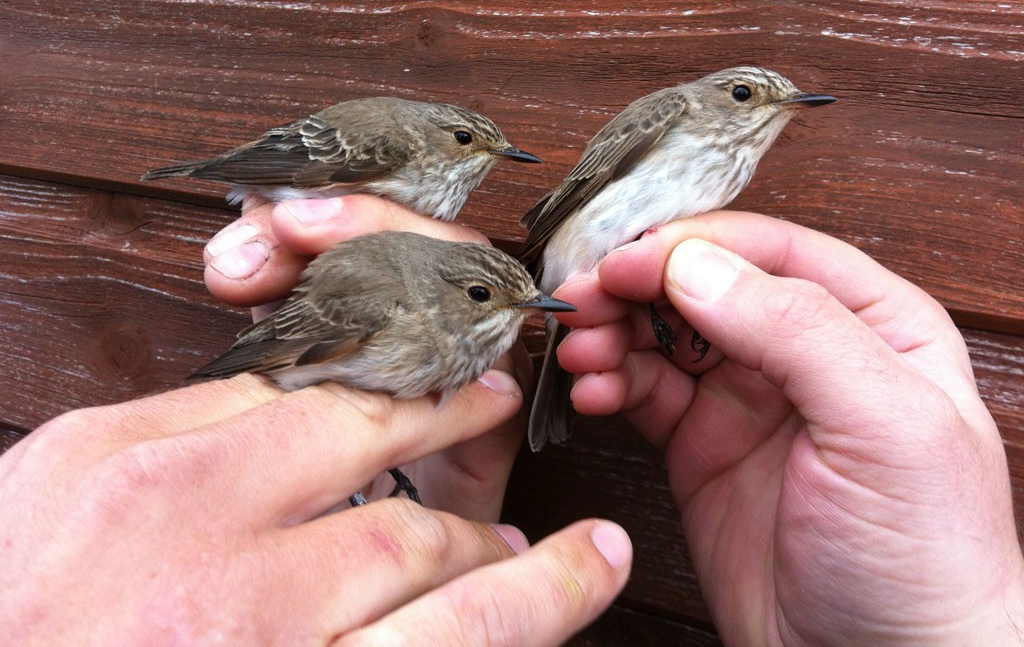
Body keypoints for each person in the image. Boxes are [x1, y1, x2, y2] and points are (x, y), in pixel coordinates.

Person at [1, 194, 1021, 645]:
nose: (523, 319)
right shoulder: (380, 303)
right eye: (497, 306)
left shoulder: (470, 334)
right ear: (450, 299)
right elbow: (272, 354)